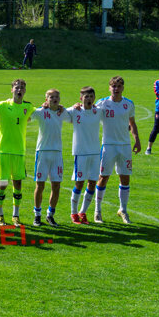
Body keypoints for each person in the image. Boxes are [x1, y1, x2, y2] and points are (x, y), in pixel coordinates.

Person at [0, 78, 34, 226]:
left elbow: (43, 112)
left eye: (22, 88)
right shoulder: (3, 105)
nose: (19, 90)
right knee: (3, 183)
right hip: (4, 150)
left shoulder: (29, 107)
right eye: (17, 87)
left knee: (18, 183)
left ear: (25, 91)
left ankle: (15, 215)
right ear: (12, 89)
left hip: (19, 151)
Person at [95, 76, 141, 223]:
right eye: (113, 86)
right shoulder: (102, 103)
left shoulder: (128, 104)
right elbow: (88, 111)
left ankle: (123, 210)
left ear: (123, 88)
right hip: (108, 146)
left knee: (125, 178)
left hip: (125, 146)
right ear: (109, 88)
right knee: (103, 177)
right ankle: (97, 211)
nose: (116, 89)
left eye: (119, 86)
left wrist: (137, 140)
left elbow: (132, 123)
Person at [30, 89, 70, 227]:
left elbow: (74, 117)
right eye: (51, 97)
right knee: (40, 185)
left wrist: (77, 106)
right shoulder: (41, 112)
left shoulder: (62, 112)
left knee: (56, 186)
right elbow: (27, 117)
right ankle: (37, 215)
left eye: (57, 96)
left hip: (57, 153)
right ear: (46, 99)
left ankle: (50, 215)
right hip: (42, 152)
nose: (54, 99)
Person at [67, 87, 102, 224]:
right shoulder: (74, 111)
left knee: (92, 183)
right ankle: (73, 213)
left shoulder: (98, 111)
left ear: (94, 98)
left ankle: (83, 212)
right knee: (79, 183)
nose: (89, 99)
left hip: (95, 153)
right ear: (81, 98)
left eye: (91, 96)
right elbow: (58, 111)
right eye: (86, 96)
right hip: (80, 153)